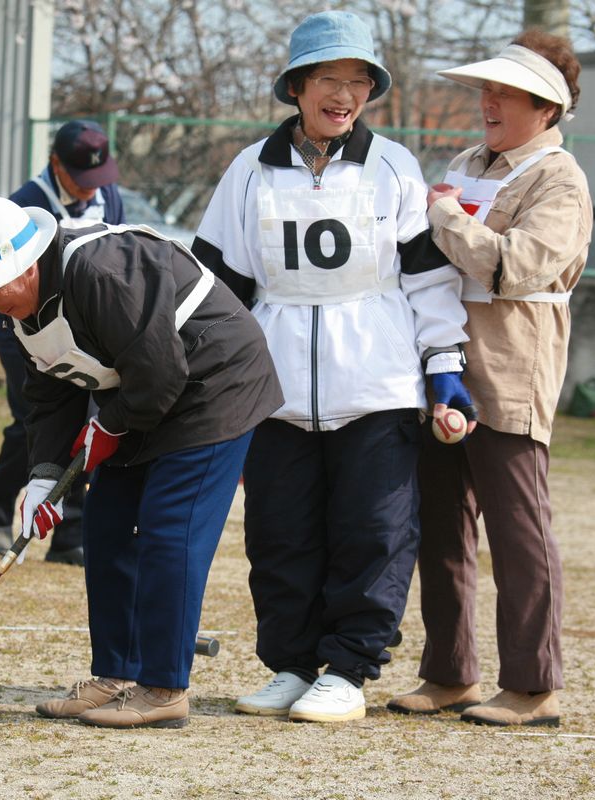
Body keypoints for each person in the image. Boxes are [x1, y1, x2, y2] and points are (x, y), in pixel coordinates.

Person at [192, 11, 473, 724]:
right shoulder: (249, 169)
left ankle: (348, 668)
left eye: (358, 81)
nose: (343, 94)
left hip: (376, 378)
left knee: (372, 530)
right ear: (297, 87)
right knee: (279, 531)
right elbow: (217, 282)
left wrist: (445, 369)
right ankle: (290, 664)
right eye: (328, 79)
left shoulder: (394, 168)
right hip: (277, 382)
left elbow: (428, 281)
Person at [0, 196, 282, 729]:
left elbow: (161, 370)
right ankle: (116, 675)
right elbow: (49, 397)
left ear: (24, 266)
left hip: (214, 382)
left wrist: (110, 424)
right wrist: (45, 478)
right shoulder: (20, 312)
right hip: (144, 394)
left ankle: (165, 688)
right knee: (108, 522)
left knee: (170, 528)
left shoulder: (101, 271)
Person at [388, 31, 592, 728]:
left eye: (504, 92)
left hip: (511, 371)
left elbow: (517, 265)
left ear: (546, 108)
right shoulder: (469, 161)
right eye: (486, 89)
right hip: (444, 371)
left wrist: (442, 214)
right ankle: (450, 674)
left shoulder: (558, 179)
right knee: (441, 527)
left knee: (517, 531)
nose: (487, 102)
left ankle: (534, 685)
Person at [0, 120, 126, 566]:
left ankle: (69, 535)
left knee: (91, 422)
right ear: (55, 163)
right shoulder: (23, 205)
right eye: (80, 180)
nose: (89, 191)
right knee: (35, 422)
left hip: (86, 328)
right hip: (24, 324)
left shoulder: (107, 195)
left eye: (96, 181)